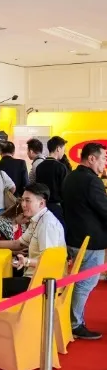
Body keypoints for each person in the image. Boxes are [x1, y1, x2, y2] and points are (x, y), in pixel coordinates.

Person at [0, 183, 65, 298]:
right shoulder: (36, 220)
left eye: (28, 201)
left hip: (42, 283)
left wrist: (26, 261)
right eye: (22, 200)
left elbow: (49, 262)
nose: (23, 204)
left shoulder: (47, 224)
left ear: (41, 203)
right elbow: (18, 243)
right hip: (33, 275)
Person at [62, 142, 107, 340]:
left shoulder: (70, 177)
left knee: (77, 282)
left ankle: (71, 320)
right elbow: (104, 209)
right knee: (85, 283)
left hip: (74, 237)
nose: (104, 163)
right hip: (90, 241)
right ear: (91, 158)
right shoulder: (92, 181)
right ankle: (75, 324)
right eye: (103, 158)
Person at [35, 136, 68, 228]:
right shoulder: (61, 167)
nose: (63, 152)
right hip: (56, 208)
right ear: (58, 149)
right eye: (63, 149)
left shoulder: (39, 167)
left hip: (42, 207)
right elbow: (65, 190)